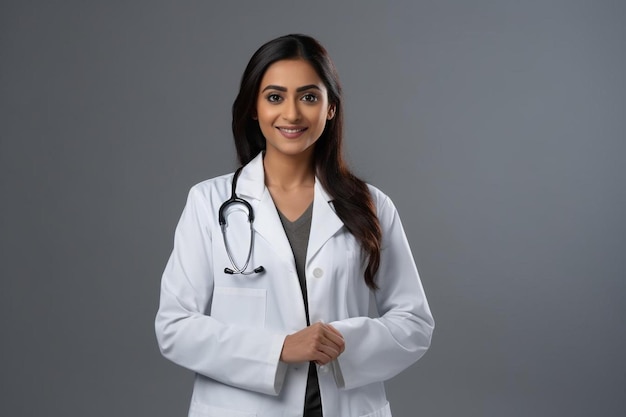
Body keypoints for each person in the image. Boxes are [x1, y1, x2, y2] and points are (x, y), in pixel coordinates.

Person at [155, 34, 434, 417]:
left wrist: (340, 343)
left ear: (331, 108)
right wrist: (281, 349)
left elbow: (414, 323)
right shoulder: (209, 203)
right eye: (274, 97)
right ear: (253, 107)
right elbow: (175, 328)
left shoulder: (370, 205)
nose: (291, 114)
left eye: (308, 97)